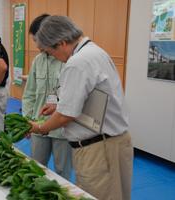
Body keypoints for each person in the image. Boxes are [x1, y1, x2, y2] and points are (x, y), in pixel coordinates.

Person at [29, 15, 133, 200]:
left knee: (97, 195)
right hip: (111, 143)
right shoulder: (95, 52)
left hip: (99, 150)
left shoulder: (77, 62)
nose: (56, 59)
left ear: (61, 43)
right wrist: (57, 105)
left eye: (51, 53)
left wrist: (40, 128)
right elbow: (90, 96)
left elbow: (65, 116)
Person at [22, 14, 71, 180]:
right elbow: (29, 94)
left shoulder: (68, 59)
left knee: (62, 171)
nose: (36, 45)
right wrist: (26, 121)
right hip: (38, 124)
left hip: (62, 128)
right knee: (36, 167)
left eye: (37, 40)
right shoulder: (38, 61)